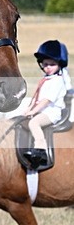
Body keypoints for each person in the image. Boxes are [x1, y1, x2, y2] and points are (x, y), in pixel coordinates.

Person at [23, 40, 71, 168]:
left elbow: (46, 100)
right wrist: (29, 108)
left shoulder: (57, 81)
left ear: (60, 64)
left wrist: (33, 112)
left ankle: (41, 150)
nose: (48, 67)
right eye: (45, 64)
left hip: (51, 112)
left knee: (34, 123)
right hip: (43, 110)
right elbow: (37, 98)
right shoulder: (46, 79)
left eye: (52, 64)